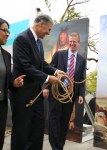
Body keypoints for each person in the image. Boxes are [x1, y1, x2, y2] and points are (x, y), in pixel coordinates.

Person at [10, 14, 64, 150]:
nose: (48, 33)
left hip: (37, 95)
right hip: (23, 95)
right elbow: (26, 67)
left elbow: (42, 64)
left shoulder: (38, 42)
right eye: (49, 29)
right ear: (41, 24)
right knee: (21, 132)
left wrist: (56, 71)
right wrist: (47, 78)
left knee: (37, 132)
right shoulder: (22, 39)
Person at [48, 32, 86, 150]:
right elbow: (49, 69)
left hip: (70, 96)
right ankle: (55, 147)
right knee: (54, 121)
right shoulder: (59, 54)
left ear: (78, 43)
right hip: (56, 93)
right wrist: (46, 87)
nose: (72, 43)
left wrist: (80, 94)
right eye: (70, 41)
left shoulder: (82, 60)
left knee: (64, 122)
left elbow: (81, 79)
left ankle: (60, 146)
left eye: (74, 41)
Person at [0, 18, 25, 150]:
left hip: (2, 106)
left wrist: (14, 83)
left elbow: (8, 78)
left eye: (8, 30)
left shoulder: (6, 55)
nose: (7, 33)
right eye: (4, 30)